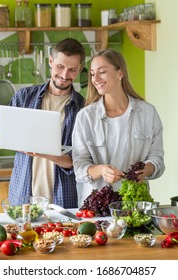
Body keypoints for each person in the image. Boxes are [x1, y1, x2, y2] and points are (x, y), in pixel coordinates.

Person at [72, 49, 165, 206]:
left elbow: (158, 160)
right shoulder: (86, 116)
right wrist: (101, 170)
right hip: (97, 207)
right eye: (93, 74)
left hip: (136, 205)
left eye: (102, 72)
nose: (96, 79)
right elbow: (79, 167)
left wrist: (146, 170)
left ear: (119, 73)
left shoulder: (148, 113)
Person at [8, 38, 86, 208]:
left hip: (63, 199)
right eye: (60, 66)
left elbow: (78, 161)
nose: (65, 75)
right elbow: (5, 136)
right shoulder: (23, 98)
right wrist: (26, 144)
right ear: (51, 61)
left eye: (72, 69)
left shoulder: (83, 108)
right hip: (23, 197)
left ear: (79, 69)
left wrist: (44, 152)